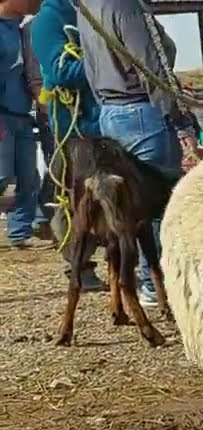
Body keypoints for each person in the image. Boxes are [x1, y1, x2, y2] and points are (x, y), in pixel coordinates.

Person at [78, 0, 198, 306]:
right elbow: (151, 67)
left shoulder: (88, 6)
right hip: (142, 110)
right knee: (159, 201)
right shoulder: (126, 6)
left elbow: (91, 66)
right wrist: (180, 119)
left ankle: (144, 284)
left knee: (129, 207)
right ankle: (158, 283)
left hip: (110, 109)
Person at [31, 0, 102, 285]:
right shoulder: (49, 18)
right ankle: (79, 266)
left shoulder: (95, 10)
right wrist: (107, 61)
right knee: (75, 200)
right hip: (74, 124)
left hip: (102, 119)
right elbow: (61, 72)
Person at [0, 0, 43, 250]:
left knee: (28, 176)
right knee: (2, 176)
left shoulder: (22, 30)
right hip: (3, 113)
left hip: (23, 112)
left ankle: (20, 232)